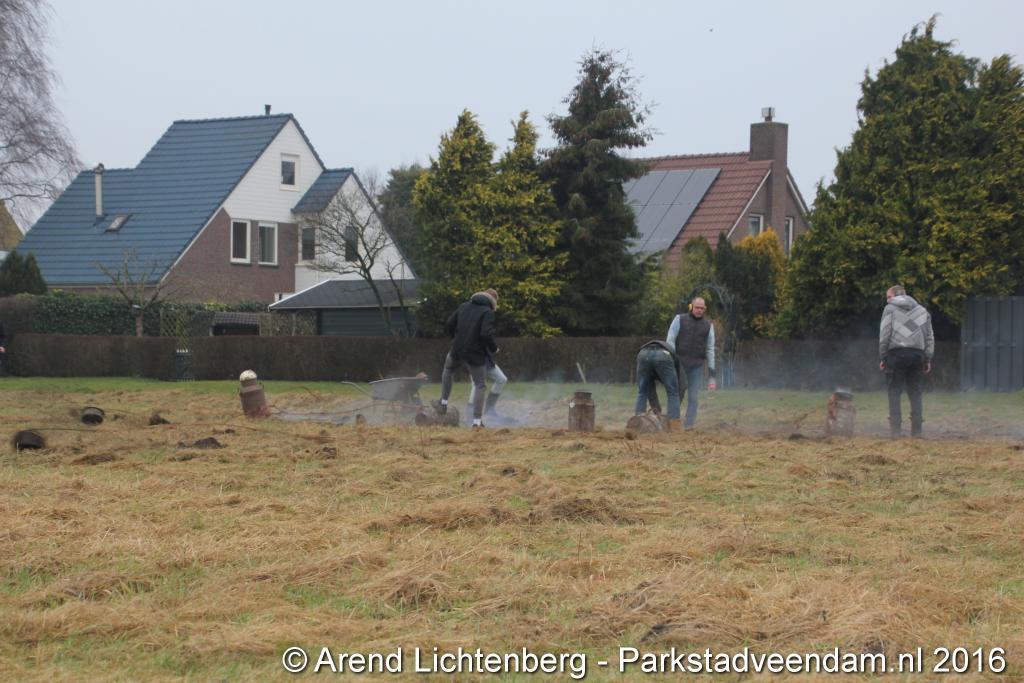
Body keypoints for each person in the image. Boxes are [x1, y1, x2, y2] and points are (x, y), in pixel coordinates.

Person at [433, 288, 498, 428]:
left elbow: (450, 324)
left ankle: (443, 403)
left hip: (457, 348)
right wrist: (494, 348)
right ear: (492, 302)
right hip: (475, 353)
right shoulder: (488, 312)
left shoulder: (463, 306)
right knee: (480, 385)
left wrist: (456, 339)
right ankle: (477, 422)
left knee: (448, 369)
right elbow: (485, 334)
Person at [879, 285, 934, 438]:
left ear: (896, 296)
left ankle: (895, 431)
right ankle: (917, 431)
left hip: (897, 354)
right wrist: (927, 358)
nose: (887, 300)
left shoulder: (890, 309)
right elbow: (929, 337)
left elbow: (884, 335)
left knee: (894, 391)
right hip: (917, 355)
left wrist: (883, 357)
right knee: (915, 392)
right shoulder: (922, 311)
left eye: (889, 296)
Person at [666, 296, 716, 429]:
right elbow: (670, 340)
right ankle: (671, 421)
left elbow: (710, 349)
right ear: (691, 307)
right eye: (697, 307)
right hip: (680, 363)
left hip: (697, 366)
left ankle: (689, 425)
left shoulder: (708, 326)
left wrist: (712, 374)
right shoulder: (679, 319)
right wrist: (673, 359)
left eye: (702, 308)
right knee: (678, 392)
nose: (699, 310)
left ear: (705, 309)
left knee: (693, 396)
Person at [633, 339, 681, 430]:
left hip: (643, 354)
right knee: (673, 392)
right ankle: (674, 425)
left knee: (642, 391)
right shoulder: (676, 365)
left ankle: (638, 422)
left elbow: (650, 392)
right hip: (663, 355)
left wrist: (657, 411)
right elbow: (677, 389)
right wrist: (659, 412)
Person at [468, 352, 508, 422]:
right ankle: (471, 413)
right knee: (476, 385)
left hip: (487, 361)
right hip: (474, 360)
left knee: (502, 379)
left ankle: (489, 409)